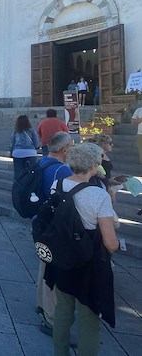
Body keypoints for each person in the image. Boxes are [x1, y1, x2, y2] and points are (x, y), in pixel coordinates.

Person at [44, 143, 119, 355]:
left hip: (64, 255)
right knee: (89, 316)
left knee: (63, 309)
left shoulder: (57, 185)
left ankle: (61, 352)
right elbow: (110, 242)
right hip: (90, 259)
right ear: (94, 167)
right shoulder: (98, 196)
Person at [35, 132, 74, 336]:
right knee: (54, 273)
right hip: (55, 226)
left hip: (39, 222)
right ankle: (51, 317)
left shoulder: (42, 162)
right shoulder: (63, 170)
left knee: (44, 266)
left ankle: (41, 304)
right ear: (65, 149)